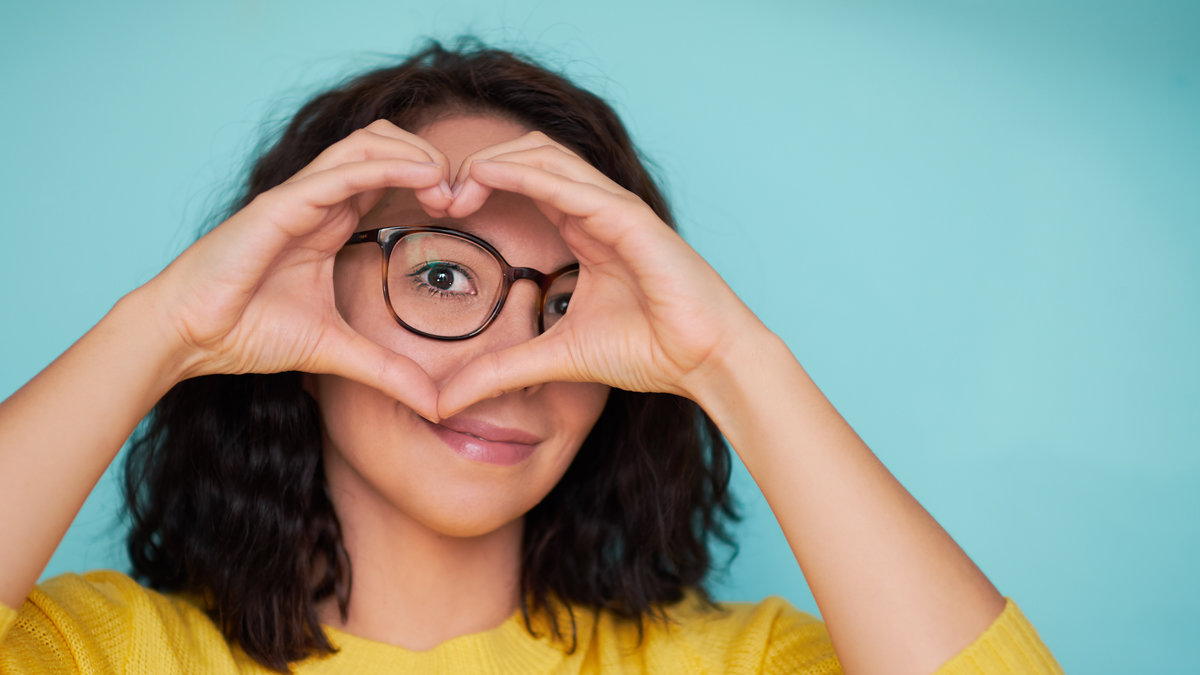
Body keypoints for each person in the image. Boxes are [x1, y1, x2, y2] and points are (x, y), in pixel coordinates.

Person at [0, 42, 1063, 674]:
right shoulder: (110, 650)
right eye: (444, 276)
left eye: (564, 303)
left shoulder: (737, 664)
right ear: (301, 288)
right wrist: (167, 328)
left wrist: (730, 358)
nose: (517, 358)